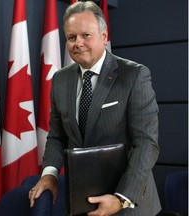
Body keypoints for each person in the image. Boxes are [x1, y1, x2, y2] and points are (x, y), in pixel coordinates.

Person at [29, 1, 161, 216]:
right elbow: (57, 136)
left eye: (85, 35)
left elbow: (146, 144)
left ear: (104, 36)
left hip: (128, 204)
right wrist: (50, 174)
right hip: (81, 202)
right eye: (71, 37)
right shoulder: (60, 80)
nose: (78, 43)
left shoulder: (134, 75)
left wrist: (121, 199)